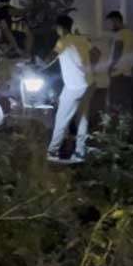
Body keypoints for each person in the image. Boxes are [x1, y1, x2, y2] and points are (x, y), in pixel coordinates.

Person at [46, 16, 95, 163]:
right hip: (87, 84)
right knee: (82, 119)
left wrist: (36, 67)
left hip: (73, 86)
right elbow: (96, 53)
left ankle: (52, 151)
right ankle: (80, 152)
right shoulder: (82, 39)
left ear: (60, 27)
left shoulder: (63, 41)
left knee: (62, 118)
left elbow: (50, 59)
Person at [105, 11, 133, 115]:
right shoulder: (131, 34)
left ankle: (115, 124)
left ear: (116, 20)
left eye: (111, 23)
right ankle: (127, 124)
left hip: (117, 73)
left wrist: (111, 67)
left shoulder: (119, 34)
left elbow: (118, 50)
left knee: (114, 105)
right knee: (126, 105)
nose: (110, 26)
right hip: (128, 74)